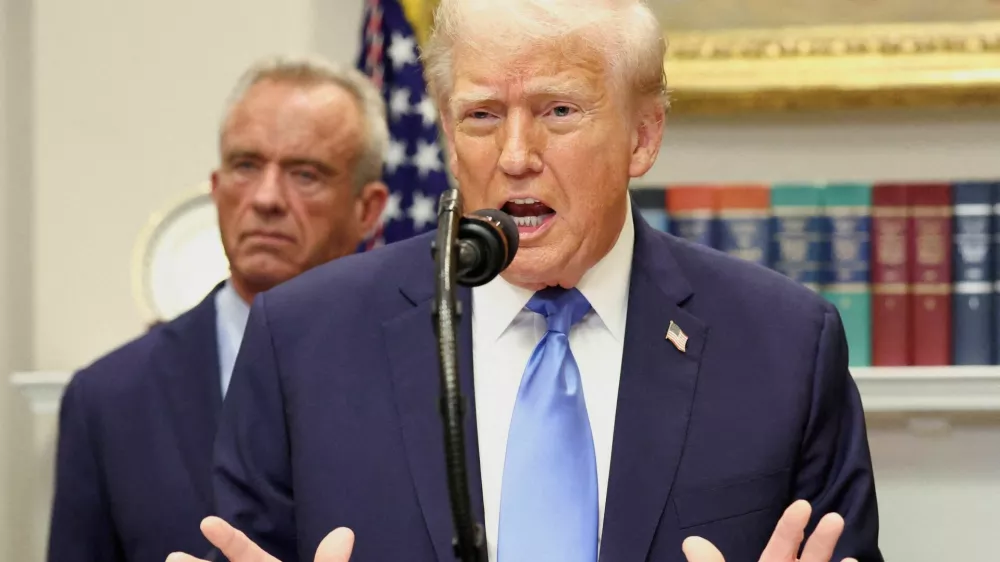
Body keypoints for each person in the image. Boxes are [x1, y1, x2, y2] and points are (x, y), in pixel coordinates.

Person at [169, 0, 885, 559]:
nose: (515, 155)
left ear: (643, 136)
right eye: (481, 116)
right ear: (449, 141)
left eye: (559, 111)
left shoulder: (784, 347)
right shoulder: (302, 342)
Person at [47, 55, 390, 562]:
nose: (266, 198)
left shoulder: (425, 375)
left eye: (305, 174)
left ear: (368, 209)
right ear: (216, 188)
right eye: (246, 166)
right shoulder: (108, 400)